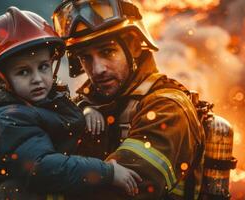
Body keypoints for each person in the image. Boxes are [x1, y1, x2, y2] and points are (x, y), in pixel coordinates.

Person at [0, 7, 142, 200]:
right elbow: (42, 168)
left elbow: (56, 123)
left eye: (43, 66)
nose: (37, 79)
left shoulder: (39, 101)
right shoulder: (11, 116)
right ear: (2, 78)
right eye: (23, 72)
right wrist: (107, 173)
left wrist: (86, 110)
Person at [52, 0, 206, 199]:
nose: (97, 69)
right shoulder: (85, 104)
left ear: (134, 46)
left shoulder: (168, 108)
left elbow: (122, 191)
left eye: (107, 52)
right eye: (85, 58)